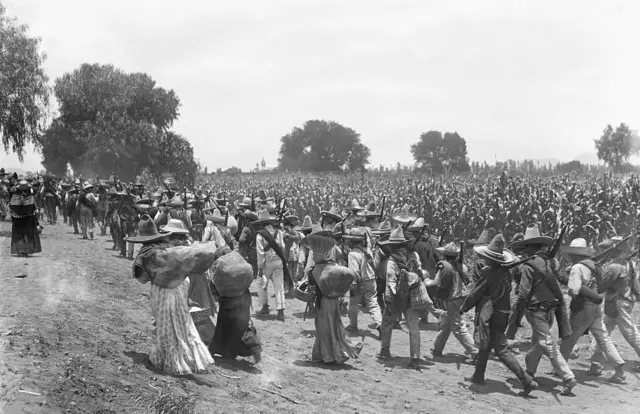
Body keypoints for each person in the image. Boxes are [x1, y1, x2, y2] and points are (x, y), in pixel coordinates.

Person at [130, 215, 214, 375]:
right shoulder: (171, 247)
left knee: (166, 326)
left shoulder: (145, 253)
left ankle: (173, 362)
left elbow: (141, 279)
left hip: (162, 290)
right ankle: (193, 358)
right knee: (184, 323)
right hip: (182, 284)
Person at [461, 234, 538, 396]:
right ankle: (478, 376)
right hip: (502, 313)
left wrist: (463, 307)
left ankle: (526, 380)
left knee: (501, 350)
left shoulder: (489, 273)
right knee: (485, 345)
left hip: (491, 315)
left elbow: (475, 293)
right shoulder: (505, 273)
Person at [508, 224, 577, 396]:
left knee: (546, 343)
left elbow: (523, 293)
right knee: (538, 343)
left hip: (536, 309)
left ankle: (568, 377)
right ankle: (529, 372)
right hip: (551, 307)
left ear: (530, 248)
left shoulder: (529, 266)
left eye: (525, 248)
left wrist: (515, 313)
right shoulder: (550, 263)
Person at [558, 237, 626, 382]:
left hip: (582, 308)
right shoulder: (594, 266)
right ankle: (619, 368)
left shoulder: (577, 268)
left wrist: (567, 280)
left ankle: (559, 369)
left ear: (575, 254)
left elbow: (574, 290)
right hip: (596, 307)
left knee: (568, 339)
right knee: (603, 338)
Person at [377, 225, 443, 367]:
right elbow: (420, 271)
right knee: (413, 327)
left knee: (387, 323)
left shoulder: (392, 261)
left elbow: (391, 282)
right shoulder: (414, 256)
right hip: (412, 296)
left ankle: (385, 350)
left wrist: (389, 301)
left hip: (396, 297)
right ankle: (415, 357)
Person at [307, 225, 363, 364]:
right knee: (333, 325)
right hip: (333, 298)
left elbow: (314, 287)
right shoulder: (331, 258)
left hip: (324, 302)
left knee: (324, 327)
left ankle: (329, 356)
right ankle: (323, 354)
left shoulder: (317, 269)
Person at [209, 246, 262, 364]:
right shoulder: (239, 262)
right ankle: (252, 349)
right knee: (241, 325)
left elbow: (216, 285)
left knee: (224, 326)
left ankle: (220, 351)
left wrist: (219, 295)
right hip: (244, 298)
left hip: (228, 302)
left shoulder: (221, 267)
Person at [594, 237, 640, 372]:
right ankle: (595, 362)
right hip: (618, 303)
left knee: (630, 333)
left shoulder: (614, 267)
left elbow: (601, 287)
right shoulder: (628, 263)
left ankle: (596, 362)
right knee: (602, 331)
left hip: (619, 303)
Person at [428, 242, 477, 362]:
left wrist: (425, 281)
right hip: (462, 297)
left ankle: (476, 353)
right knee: (446, 323)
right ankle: (437, 348)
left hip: (452, 298)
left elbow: (436, 283)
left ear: (444, 255)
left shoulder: (445, 268)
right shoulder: (462, 266)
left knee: (458, 327)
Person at [344, 227, 383, 335]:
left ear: (351, 241)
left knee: (353, 305)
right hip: (371, 279)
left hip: (360, 281)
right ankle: (380, 324)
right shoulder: (367, 250)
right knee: (373, 304)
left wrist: (353, 285)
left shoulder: (353, 254)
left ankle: (353, 325)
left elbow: (354, 271)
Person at [253, 209, 289, 321]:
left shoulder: (260, 235)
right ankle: (281, 311)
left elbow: (260, 252)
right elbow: (282, 247)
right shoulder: (279, 232)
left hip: (267, 263)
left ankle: (264, 306)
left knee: (260, 283)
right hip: (278, 261)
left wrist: (260, 267)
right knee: (279, 286)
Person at [9, 180, 41, 256]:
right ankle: (26, 250)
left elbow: (11, 208)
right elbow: (35, 210)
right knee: (27, 234)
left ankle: (20, 250)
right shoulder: (30, 197)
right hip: (28, 219)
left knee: (18, 234)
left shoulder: (14, 196)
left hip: (17, 218)